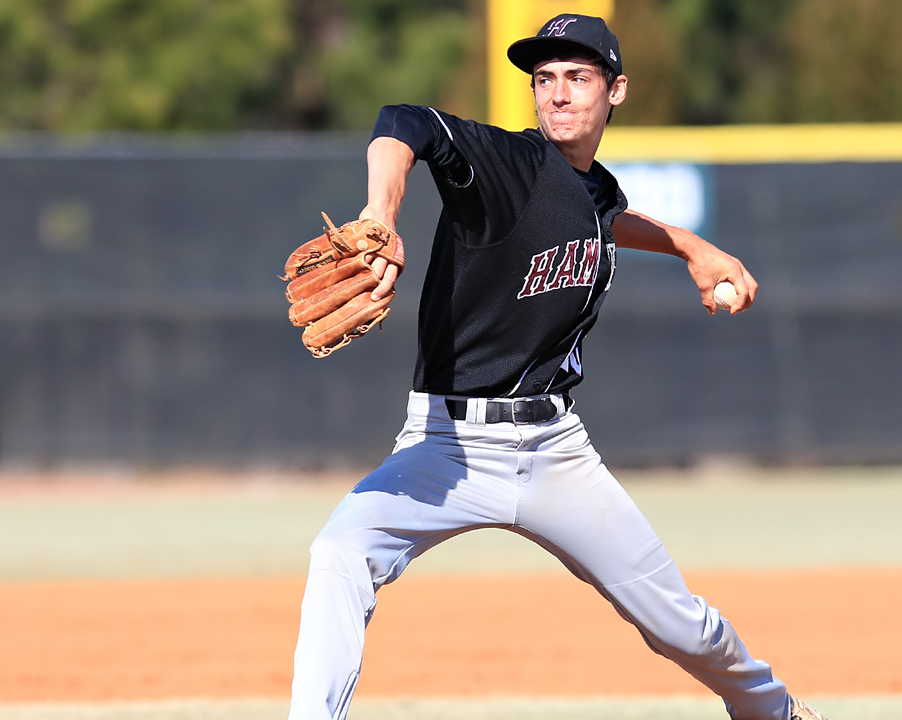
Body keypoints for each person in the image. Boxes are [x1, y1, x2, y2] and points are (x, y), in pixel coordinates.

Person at [287, 14, 829, 720]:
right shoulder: (506, 166)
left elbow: (605, 218)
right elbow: (403, 121)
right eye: (545, 79)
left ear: (616, 91)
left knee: (678, 624)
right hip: (444, 445)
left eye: (578, 77)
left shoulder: (595, 189)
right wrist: (379, 211)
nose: (559, 93)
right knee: (340, 554)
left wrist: (693, 248)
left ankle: (772, 710)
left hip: (554, 452)